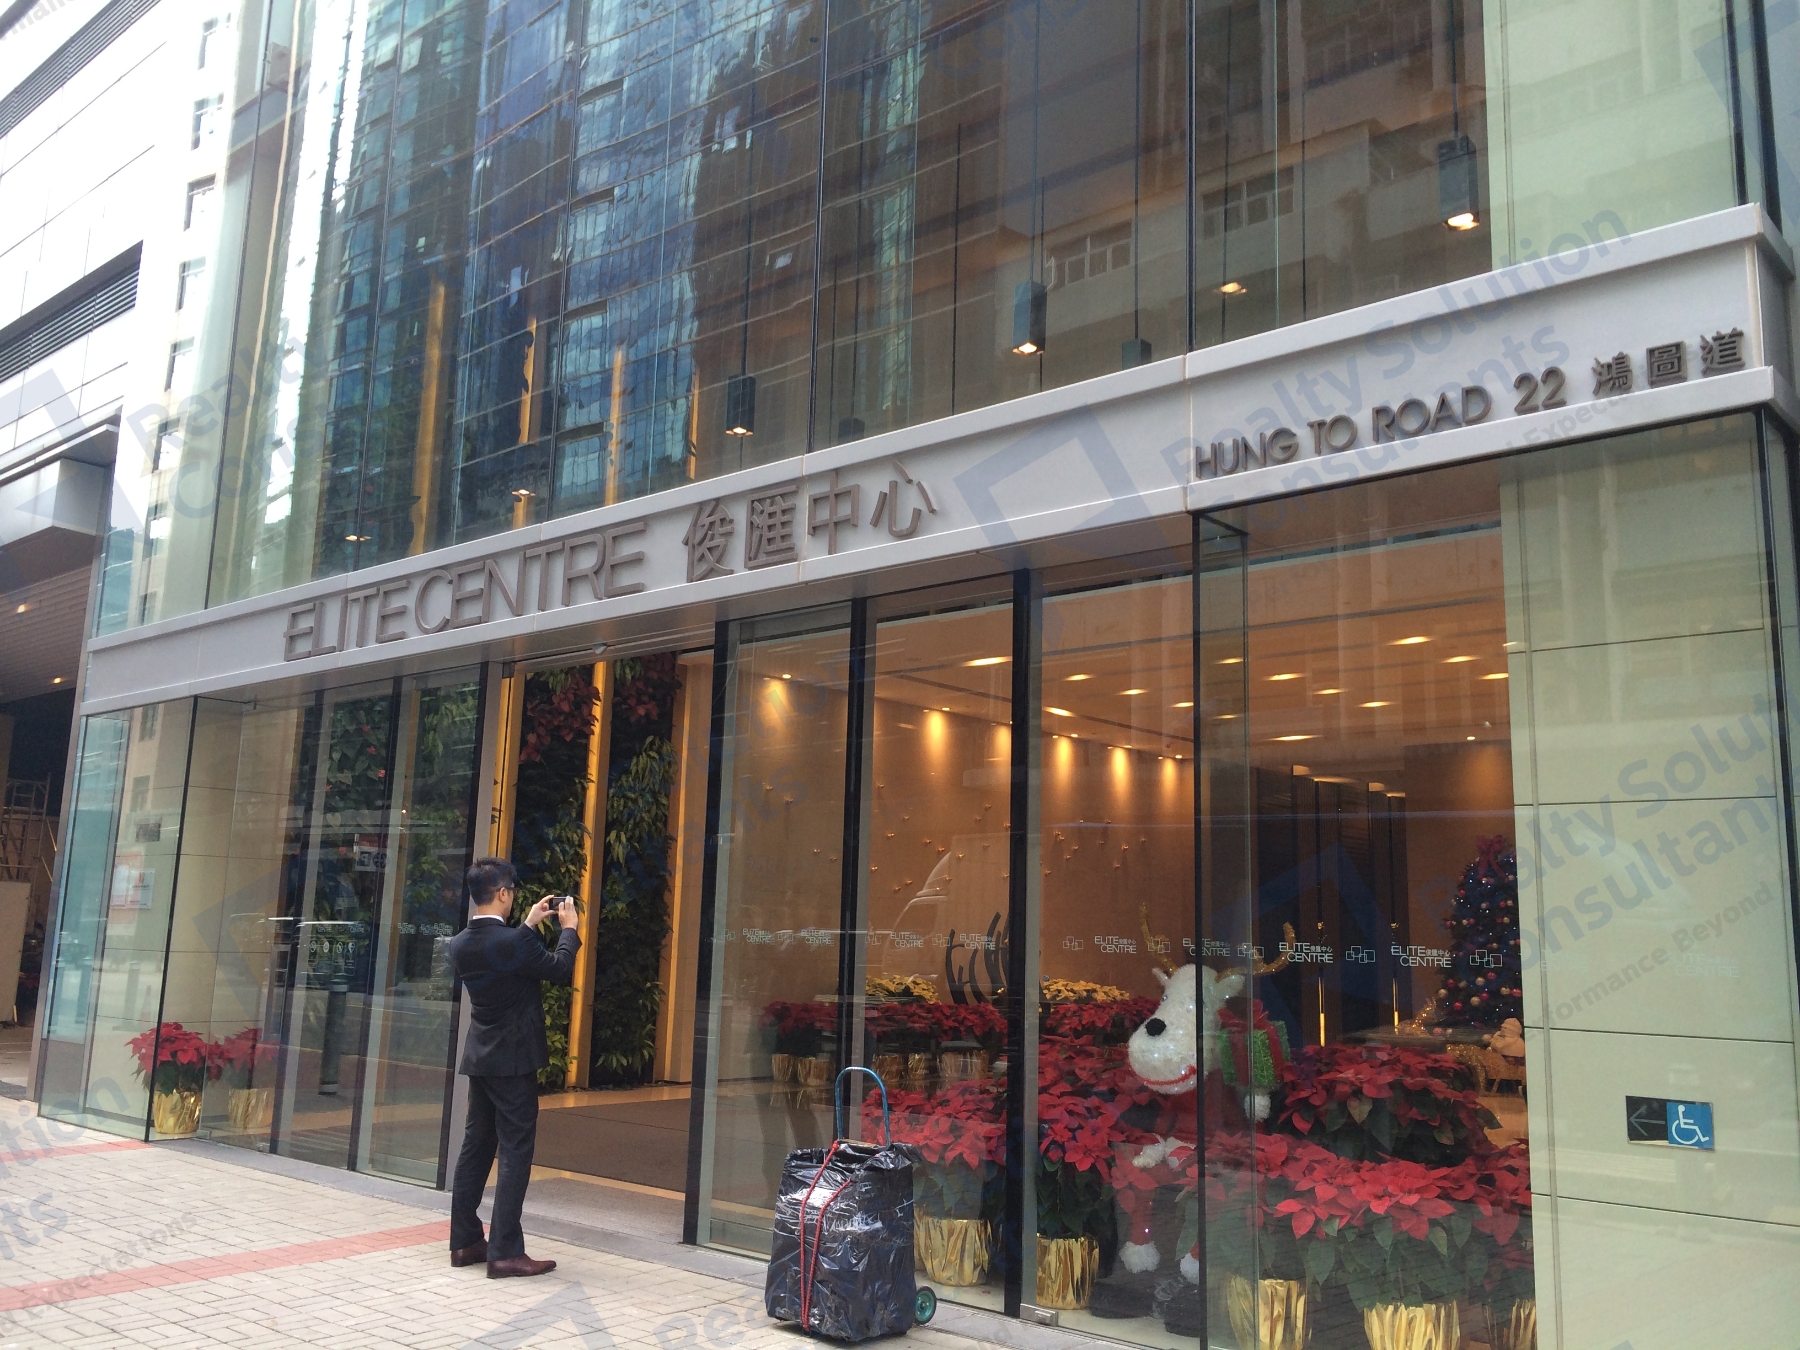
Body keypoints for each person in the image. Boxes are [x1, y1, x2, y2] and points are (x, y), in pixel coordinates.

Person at [447, 857, 581, 1277]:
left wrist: (527, 924)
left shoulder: (460, 943)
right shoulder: (513, 942)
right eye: (512, 891)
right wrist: (569, 929)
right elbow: (559, 968)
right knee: (515, 1150)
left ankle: (465, 1242)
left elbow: (505, 952)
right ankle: (504, 1251)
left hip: (481, 1056)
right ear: (503, 893)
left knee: (476, 1147)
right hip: (515, 1059)